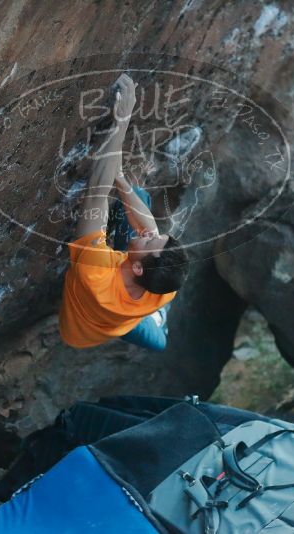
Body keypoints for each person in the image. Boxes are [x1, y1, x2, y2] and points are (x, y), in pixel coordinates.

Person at [58, 73, 189, 351]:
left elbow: (96, 193)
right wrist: (120, 179)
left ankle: (158, 324)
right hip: (126, 312)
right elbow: (148, 228)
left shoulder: (96, 275)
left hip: (84, 330)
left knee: (159, 342)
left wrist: (122, 118)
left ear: (138, 266)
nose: (150, 234)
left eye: (150, 240)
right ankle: (153, 318)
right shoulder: (164, 288)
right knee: (137, 196)